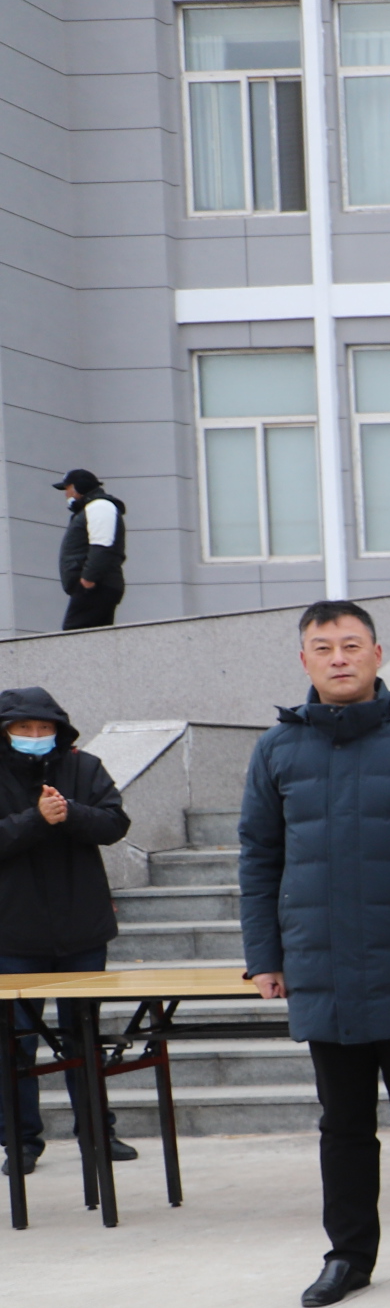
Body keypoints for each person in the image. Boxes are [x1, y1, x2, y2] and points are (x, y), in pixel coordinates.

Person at [240, 602, 390, 1307]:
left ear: (378, 654)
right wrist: (264, 955)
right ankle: (348, 1256)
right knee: (342, 1125)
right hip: (321, 963)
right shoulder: (278, 749)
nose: (339, 658)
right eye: (324, 648)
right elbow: (259, 857)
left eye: (351, 645)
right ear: (305, 661)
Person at [0, 685, 131, 1179]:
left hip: (82, 931)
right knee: (14, 1043)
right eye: (23, 727)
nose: (35, 735)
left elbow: (115, 822)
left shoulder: (84, 767)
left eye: (44, 727)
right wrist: (35, 820)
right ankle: (20, 1141)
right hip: (13, 935)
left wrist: (70, 812)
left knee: (85, 1036)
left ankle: (98, 1132)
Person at [54, 471, 124, 631]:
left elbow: (102, 546)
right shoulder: (94, 507)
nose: (66, 494)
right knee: (94, 636)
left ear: (79, 487)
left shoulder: (100, 506)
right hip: (95, 586)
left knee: (75, 634)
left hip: (95, 586)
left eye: (68, 488)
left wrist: (88, 580)